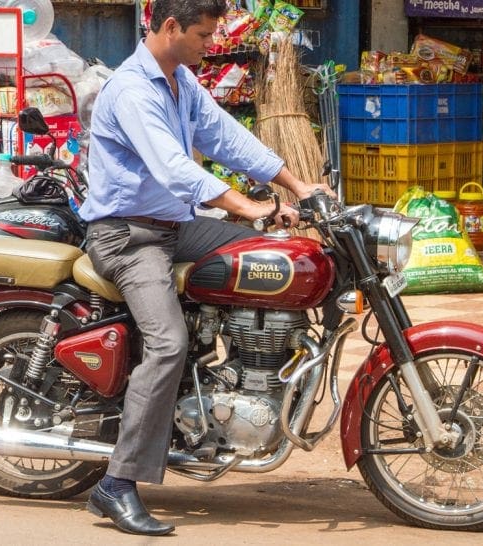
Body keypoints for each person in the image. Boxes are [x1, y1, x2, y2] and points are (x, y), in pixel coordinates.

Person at [77, 0, 334, 536]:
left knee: (271, 257)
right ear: (171, 27)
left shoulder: (181, 81)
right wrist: (247, 205)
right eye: (203, 34)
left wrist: (297, 186)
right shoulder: (132, 90)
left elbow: (226, 137)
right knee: (168, 344)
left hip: (175, 227)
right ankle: (116, 484)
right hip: (128, 236)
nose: (211, 44)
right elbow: (173, 168)